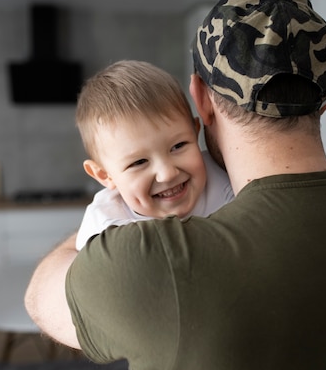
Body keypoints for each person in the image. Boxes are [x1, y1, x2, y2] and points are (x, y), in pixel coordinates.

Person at [25, 0, 326, 370]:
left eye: (176, 146)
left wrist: (114, 206)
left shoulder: (151, 259)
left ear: (201, 100)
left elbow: (40, 295)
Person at [73, 60, 233, 250]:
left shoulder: (227, 176)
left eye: (178, 146)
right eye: (139, 162)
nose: (167, 174)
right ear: (104, 174)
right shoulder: (106, 228)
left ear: (195, 132)